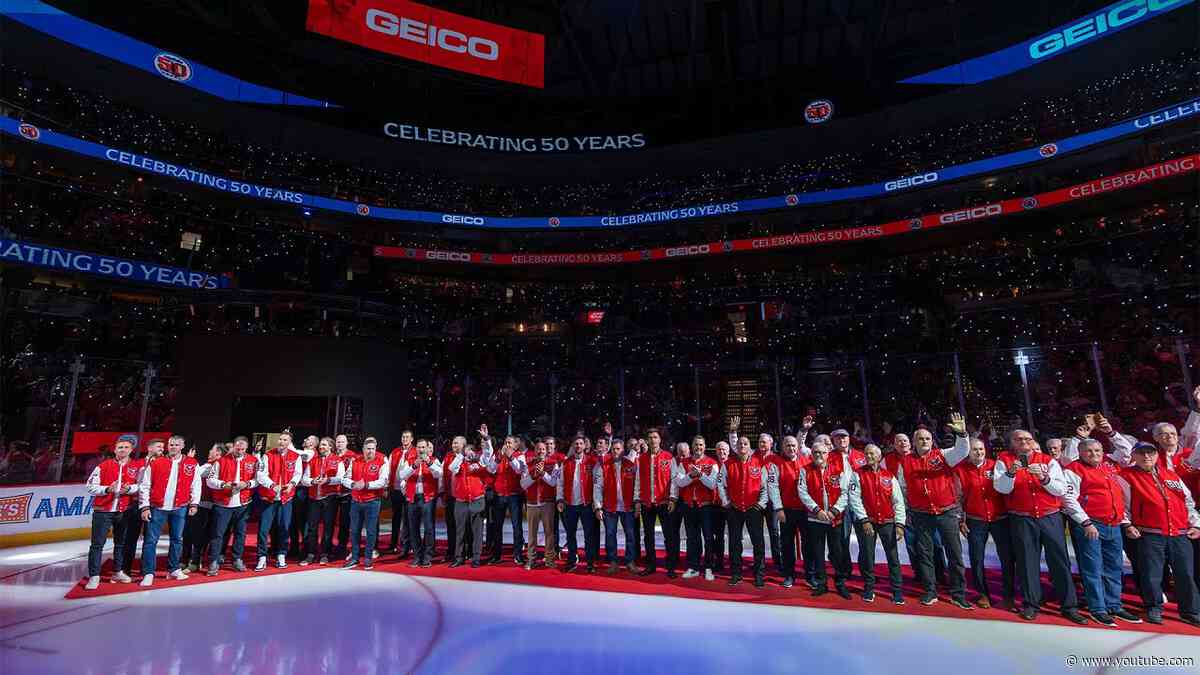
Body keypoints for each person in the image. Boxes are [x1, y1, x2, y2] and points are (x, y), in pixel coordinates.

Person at [993, 429, 1089, 624]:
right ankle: (1031, 604)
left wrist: (1044, 479)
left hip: (1049, 516)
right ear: (1011, 442)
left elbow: (1061, 489)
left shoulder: (1047, 460)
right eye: (1018, 439)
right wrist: (1011, 473)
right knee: (1027, 562)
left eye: (1027, 439)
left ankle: (1069, 605)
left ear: (1033, 441)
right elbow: (1001, 488)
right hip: (1022, 518)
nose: (1023, 442)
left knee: (1059, 561)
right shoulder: (1004, 459)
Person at [1061, 420, 1139, 626]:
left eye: (1097, 450)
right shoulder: (1074, 469)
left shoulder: (1109, 465)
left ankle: (1114, 605)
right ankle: (1098, 608)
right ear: (1080, 452)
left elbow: (1128, 452)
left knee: (1114, 567)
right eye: (1088, 451)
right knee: (1093, 568)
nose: (1094, 454)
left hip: (1114, 524)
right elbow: (1069, 499)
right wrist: (1086, 523)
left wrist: (1111, 433)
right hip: (1091, 525)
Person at [1118, 441, 1200, 626]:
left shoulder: (1171, 475)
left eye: (1150, 453)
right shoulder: (1127, 476)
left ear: (1156, 455)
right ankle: (1153, 607)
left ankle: (1191, 611)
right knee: (1151, 574)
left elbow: (1187, 501)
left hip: (1179, 533)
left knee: (1186, 573)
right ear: (1134, 456)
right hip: (1150, 533)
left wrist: (1196, 524)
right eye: (1141, 453)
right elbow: (1122, 504)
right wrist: (1127, 524)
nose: (1147, 456)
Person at [894, 413, 971, 609]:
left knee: (954, 553)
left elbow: (962, 451)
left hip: (946, 512)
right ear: (914, 442)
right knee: (925, 554)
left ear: (932, 440)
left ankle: (958, 593)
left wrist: (962, 434)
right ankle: (930, 591)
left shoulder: (943, 455)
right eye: (920, 439)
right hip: (921, 514)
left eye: (927, 438)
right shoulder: (905, 461)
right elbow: (902, 488)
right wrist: (906, 513)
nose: (924, 441)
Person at [954, 437, 1015, 609]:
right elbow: (957, 497)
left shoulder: (996, 465)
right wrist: (960, 519)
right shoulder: (960, 470)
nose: (979, 452)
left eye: (981, 449)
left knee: (1007, 557)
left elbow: (1007, 488)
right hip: (976, 520)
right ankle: (982, 593)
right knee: (976, 557)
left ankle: (1008, 595)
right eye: (975, 449)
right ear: (968, 452)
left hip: (1000, 518)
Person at [137, 435, 201, 587]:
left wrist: (194, 504)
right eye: (171, 444)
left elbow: (196, 484)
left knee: (177, 539)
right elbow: (145, 486)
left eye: (176, 444)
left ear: (182, 446)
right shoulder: (156, 462)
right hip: (157, 507)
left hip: (180, 507)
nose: (173, 447)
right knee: (150, 541)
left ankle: (173, 569)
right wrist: (144, 507)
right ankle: (148, 573)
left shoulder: (192, 463)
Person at [849, 443, 906, 604]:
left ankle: (897, 591)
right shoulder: (857, 475)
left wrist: (900, 524)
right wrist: (864, 519)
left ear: (879, 457)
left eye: (872, 454)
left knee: (893, 556)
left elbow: (898, 501)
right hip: (867, 522)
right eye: (866, 454)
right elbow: (854, 499)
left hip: (887, 521)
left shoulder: (889, 476)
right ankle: (869, 588)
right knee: (867, 555)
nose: (869, 456)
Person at [83, 439, 141, 589]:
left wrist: (130, 489)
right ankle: (94, 576)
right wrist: (107, 489)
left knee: (120, 544)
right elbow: (90, 486)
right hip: (103, 511)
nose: (123, 449)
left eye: (126, 447)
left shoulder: (136, 467)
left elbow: (142, 485)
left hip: (124, 510)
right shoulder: (103, 466)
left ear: (131, 450)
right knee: (97, 544)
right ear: (115, 450)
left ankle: (117, 571)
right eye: (120, 447)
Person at [798, 442, 852, 598]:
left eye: (822, 453)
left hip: (835, 519)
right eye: (815, 452)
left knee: (837, 552)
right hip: (815, 520)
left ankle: (840, 583)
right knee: (818, 552)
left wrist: (835, 510)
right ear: (811, 454)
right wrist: (817, 510)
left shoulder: (838, 470)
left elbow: (845, 492)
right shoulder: (805, 471)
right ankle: (822, 584)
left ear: (828, 454)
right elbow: (803, 493)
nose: (819, 456)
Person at [718, 433, 769, 588]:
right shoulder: (727, 464)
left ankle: (759, 575)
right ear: (736, 447)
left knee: (758, 543)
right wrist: (726, 502)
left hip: (754, 509)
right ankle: (736, 573)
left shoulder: (759, 463)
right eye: (739, 444)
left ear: (750, 447)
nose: (742, 446)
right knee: (734, 543)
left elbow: (765, 487)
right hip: (735, 509)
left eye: (745, 444)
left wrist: (761, 504)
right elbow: (720, 484)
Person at [206, 436, 258, 576]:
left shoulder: (253, 461)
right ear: (233, 446)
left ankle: (237, 559)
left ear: (246, 448)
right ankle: (214, 561)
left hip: (243, 503)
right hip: (223, 503)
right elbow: (210, 481)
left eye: (242, 449)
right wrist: (223, 484)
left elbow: (258, 480)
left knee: (240, 534)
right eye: (237, 448)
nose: (240, 451)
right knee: (218, 534)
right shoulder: (221, 461)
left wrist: (247, 484)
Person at [448, 427, 499, 567]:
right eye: (467, 450)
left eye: (472, 451)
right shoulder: (458, 462)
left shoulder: (480, 462)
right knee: (460, 531)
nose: (470, 453)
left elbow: (488, 454)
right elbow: (451, 468)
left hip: (477, 500)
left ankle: (476, 558)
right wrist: (462, 456)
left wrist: (487, 438)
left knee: (477, 531)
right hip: (460, 502)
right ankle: (458, 557)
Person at [255, 432, 303, 571]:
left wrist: (292, 484)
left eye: (285, 440)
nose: (281, 441)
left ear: (289, 442)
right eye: (280, 439)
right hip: (269, 498)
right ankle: (262, 557)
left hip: (286, 498)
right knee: (264, 529)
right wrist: (272, 485)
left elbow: (297, 474)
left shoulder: (295, 457)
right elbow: (260, 474)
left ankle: (281, 554)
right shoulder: (268, 455)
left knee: (284, 527)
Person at [767, 433, 810, 589]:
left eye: (793, 445)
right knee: (787, 544)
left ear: (797, 447)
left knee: (808, 544)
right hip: (787, 511)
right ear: (782, 447)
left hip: (806, 511)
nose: (791, 448)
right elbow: (773, 488)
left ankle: (809, 575)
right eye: (788, 445)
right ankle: (789, 575)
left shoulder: (807, 461)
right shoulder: (775, 464)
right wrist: (778, 508)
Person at [340, 437, 389, 570]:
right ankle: (355, 558)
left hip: (373, 502)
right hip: (356, 501)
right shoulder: (355, 460)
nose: (371, 451)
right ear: (363, 449)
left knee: (371, 531)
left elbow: (383, 481)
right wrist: (353, 484)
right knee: (355, 530)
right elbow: (345, 478)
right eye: (368, 449)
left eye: (373, 449)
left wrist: (366, 485)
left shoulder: (381, 461)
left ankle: (368, 558)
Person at [594, 438, 639, 575]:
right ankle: (613, 562)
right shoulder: (604, 465)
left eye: (618, 449)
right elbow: (597, 487)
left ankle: (630, 561)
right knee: (610, 535)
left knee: (630, 535)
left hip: (628, 507)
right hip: (610, 507)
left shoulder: (630, 464)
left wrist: (637, 503)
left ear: (623, 449)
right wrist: (598, 507)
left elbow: (637, 484)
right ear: (610, 449)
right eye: (613, 449)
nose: (615, 451)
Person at [119, 439, 163, 578]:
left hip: (155, 506)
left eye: (163, 447)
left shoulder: (165, 464)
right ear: (150, 448)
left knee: (150, 538)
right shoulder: (137, 464)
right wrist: (130, 488)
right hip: (135, 505)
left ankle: (146, 570)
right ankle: (125, 568)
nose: (162, 448)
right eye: (159, 446)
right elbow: (135, 483)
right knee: (130, 538)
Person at [557, 436, 600, 573]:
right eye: (576, 444)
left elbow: (597, 483)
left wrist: (596, 502)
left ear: (584, 446)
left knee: (589, 534)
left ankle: (590, 563)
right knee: (570, 534)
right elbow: (560, 483)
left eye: (581, 443)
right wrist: (560, 499)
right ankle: (571, 560)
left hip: (586, 503)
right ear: (573, 446)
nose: (578, 446)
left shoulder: (592, 462)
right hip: (570, 504)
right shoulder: (566, 463)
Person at [300, 437, 345, 566]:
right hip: (314, 498)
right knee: (312, 528)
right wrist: (313, 481)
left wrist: (328, 480)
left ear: (330, 446)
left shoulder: (338, 460)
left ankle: (325, 553)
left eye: (324, 445)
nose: (321, 447)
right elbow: (304, 479)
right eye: (321, 445)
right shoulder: (313, 461)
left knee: (328, 528)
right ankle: (311, 554)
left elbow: (341, 478)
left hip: (329, 498)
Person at [634, 428, 674, 576]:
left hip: (664, 502)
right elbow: (638, 481)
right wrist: (637, 500)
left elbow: (673, 481)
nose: (652, 440)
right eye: (650, 437)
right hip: (646, 503)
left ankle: (670, 567)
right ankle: (651, 566)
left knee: (668, 536)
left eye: (655, 437)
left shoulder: (669, 457)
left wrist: (672, 498)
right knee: (648, 536)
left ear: (660, 440)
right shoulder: (641, 459)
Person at [182, 444, 223, 573]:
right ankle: (187, 560)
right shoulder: (209, 465)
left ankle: (194, 561)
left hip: (205, 506)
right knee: (193, 534)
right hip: (201, 505)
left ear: (218, 454)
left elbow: (191, 473)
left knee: (198, 535)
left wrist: (188, 460)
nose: (209, 451)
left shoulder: (211, 466)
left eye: (212, 449)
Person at [489, 434, 527, 565]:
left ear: (516, 445)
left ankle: (518, 555)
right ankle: (496, 555)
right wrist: (498, 458)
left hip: (514, 496)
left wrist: (510, 456)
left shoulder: (520, 456)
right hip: (499, 495)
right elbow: (490, 469)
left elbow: (518, 470)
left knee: (517, 526)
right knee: (497, 526)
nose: (507, 445)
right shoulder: (498, 455)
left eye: (510, 443)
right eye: (506, 442)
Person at [520, 440, 557, 570]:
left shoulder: (553, 464)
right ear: (534, 451)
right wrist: (534, 476)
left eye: (543, 449)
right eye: (538, 449)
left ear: (546, 451)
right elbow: (523, 484)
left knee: (549, 533)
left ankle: (550, 559)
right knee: (531, 534)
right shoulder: (527, 465)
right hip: (531, 504)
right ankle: (531, 559)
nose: (541, 451)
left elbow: (553, 483)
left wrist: (543, 474)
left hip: (547, 503)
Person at [663, 440, 691, 578]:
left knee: (691, 533)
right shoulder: (673, 461)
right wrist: (672, 499)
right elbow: (674, 481)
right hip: (675, 500)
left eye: (684, 454)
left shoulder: (693, 461)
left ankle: (692, 562)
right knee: (672, 533)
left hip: (689, 501)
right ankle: (672, 562)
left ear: (689, 453)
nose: (682, 457)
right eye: (679, 454)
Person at [387, 430, 416, 558]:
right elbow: (388, 470)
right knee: (396, 517)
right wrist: (387, 487)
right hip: (395, 489)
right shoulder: (394, 452)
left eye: (407, 437)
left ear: (412, 439)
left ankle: (407, 545)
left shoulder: (415, 452)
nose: (404, 439)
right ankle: (393, 544)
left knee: (408, 518)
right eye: (403, 437)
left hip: (408, 490)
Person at [288, 435, 318, 559]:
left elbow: (296, 453)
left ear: (314, 444)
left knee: (302, 521)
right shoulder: (302, 452)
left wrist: (288, 441)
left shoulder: (311, 453)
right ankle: (294, 548)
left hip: (303, 490)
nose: (305, 439)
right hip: (295, 489)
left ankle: (306, 549)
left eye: (309, 439)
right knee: (292, 521)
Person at [331, 434, 357, 560]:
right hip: (332, 493)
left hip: (347, 494)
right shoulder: (332, 455)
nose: (340, 444)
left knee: (344, 522)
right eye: (338, 442)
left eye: (342, 442)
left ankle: (342, 547)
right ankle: (329, 547)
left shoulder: (352, 456)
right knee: (329, 522)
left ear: (346, 443)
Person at [710, 440, 732, 575]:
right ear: (716, 451)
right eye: (719, 450)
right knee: (717, 535)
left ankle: (735, 561)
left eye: (724, 450)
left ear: (728, 452)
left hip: (730, 506)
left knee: (734, 536)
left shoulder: (732, 464)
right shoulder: (712, 465)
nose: (722, 452)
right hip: (716, 505)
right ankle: (718, 561)